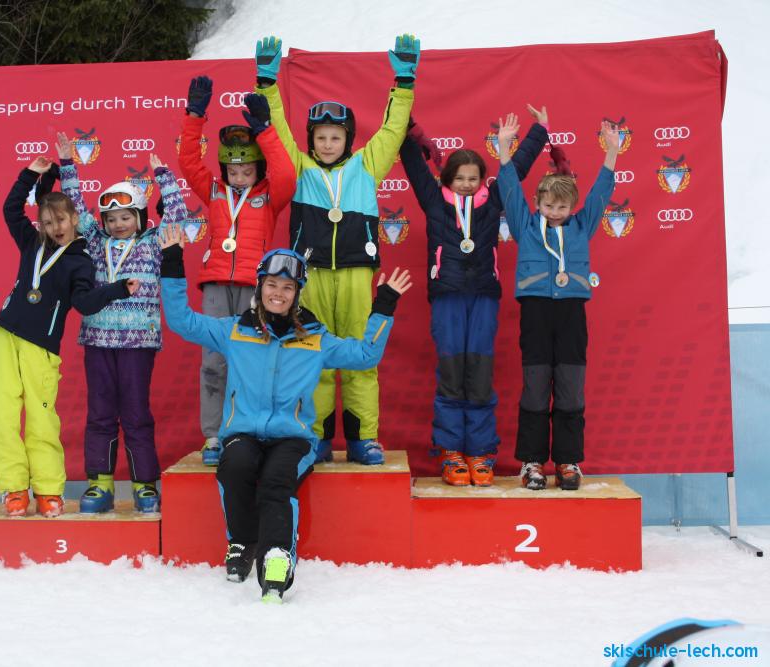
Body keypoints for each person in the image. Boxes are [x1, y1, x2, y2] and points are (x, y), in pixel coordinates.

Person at [159, 226, 411, 602]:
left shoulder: (315, 338)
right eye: (272, 284)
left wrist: (385, 304)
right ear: (260, 286)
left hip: (293, 437)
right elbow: (182, 321)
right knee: (235, 466)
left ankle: (277, 557)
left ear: (297, 293)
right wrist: (172, 263)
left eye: (287, 287)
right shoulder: (235, 331)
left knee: (277, 479)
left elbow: (364, 355)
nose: (278, 293)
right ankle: (241, 542)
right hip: (244, 430)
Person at [253, 34, 420, 465]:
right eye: (321, 137)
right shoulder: (299, 167)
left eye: (336, 137)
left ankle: (364, 438)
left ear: (348, 140)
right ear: (312, 140)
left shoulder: (367, 166)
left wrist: (404, 83)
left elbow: (393, 130)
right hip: (310, 278)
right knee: (314, 358)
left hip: (356, 274)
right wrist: (267, 84)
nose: (328, 144)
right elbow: (277, 134)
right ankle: (316, 437)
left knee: (361, 356)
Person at [400, 106, 549, 486]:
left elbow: (518, 170)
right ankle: (451, 452)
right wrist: (402, 123)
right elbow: (413, 164)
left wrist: (539, 131)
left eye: (473, 178)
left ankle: (480, 453)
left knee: (480, 375)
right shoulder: (434, 201)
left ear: (483, 179)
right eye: (459, 178)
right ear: (447, 179)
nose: (466, 184)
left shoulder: (494, 201)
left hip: (483, 295)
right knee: (451, 374)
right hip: (447, 296)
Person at [0, 154, 138, 518]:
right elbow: (10, 209)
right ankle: (14, 489)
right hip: (4, 336)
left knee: (41, 420)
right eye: (48, 221)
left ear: (74, 219)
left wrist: (116, 289)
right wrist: (31, 174)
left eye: (61, 220)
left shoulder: (80, 260)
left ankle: (48, 490)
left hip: (41, 347)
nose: (55, 227)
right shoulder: (31, 243)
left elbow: (83, 303)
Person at [56, 134, 187, 513]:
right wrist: (67, 165)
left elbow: (177, 215)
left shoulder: (154, 243)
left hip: (138, 345)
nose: (118, 224)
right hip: (98, 341)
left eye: (126, 217)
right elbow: (75, 205)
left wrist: (164, 176)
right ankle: (100, 485)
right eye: (111, 219)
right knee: (100, 414)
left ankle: (144, 485)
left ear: (141, 217)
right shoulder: (95, 242)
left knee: (135, 414)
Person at [497, 113, 620, 490]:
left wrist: (611, 152)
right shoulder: (526, 226)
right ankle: (532, 462)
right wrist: (504, 149)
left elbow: (600, 194)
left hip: (571, 314)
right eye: (549, 206)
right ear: (538, 202)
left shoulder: (582, 226)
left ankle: (568, 461)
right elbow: (509, 190)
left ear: (572, 207)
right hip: (535, 312)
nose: (555, 213)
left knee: (570, 387)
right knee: (535, 388)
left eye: (562, 208)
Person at [177, 76, 296, 466]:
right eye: (232, 171)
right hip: (216, 285)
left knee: (251, 361)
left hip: (253, 288)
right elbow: (188, 161)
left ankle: (245, 430)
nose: (239, 178)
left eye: (246, 171)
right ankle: (213, 435)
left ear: (257, 170)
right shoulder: (214, 192)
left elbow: (287, 174)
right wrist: (195, 114)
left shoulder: (269, 196)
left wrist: (265, 131)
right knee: (214, 361)